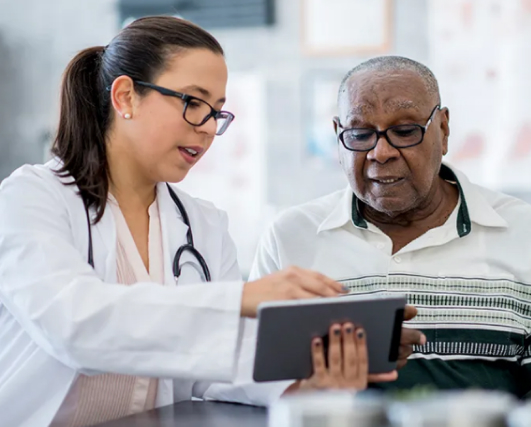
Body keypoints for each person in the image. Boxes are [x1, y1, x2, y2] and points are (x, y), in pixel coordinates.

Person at [0, 17, 372, 427]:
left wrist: (306, 381)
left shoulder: (203, 224)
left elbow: (216, 368)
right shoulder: (31, 198)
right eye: (193, 103)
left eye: (216, 111)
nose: (209, 128)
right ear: (126, 97)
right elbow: (74, 326)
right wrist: (239, 300)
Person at [247, 56, 531, 398]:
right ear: (339, 137)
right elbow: (250, 383)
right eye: (360, 134)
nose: (381, 152)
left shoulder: (521, 232)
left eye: (405, 131)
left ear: (443, 129)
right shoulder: (291, 237)